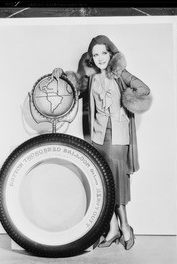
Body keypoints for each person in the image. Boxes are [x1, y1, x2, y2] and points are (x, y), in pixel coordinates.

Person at [52, 34, 152, 250]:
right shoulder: (91, 79)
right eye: (95, 54)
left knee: (115, 179)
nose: (99, 58)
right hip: (98, 137)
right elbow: (73, 89)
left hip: (118, 136)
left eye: (103, 53)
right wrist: (60, 75)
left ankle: (126, 226)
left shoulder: (120, 74)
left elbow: (144, 90)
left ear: (111, 54)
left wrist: (126, 100)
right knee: (102, 181)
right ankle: (113, 227)